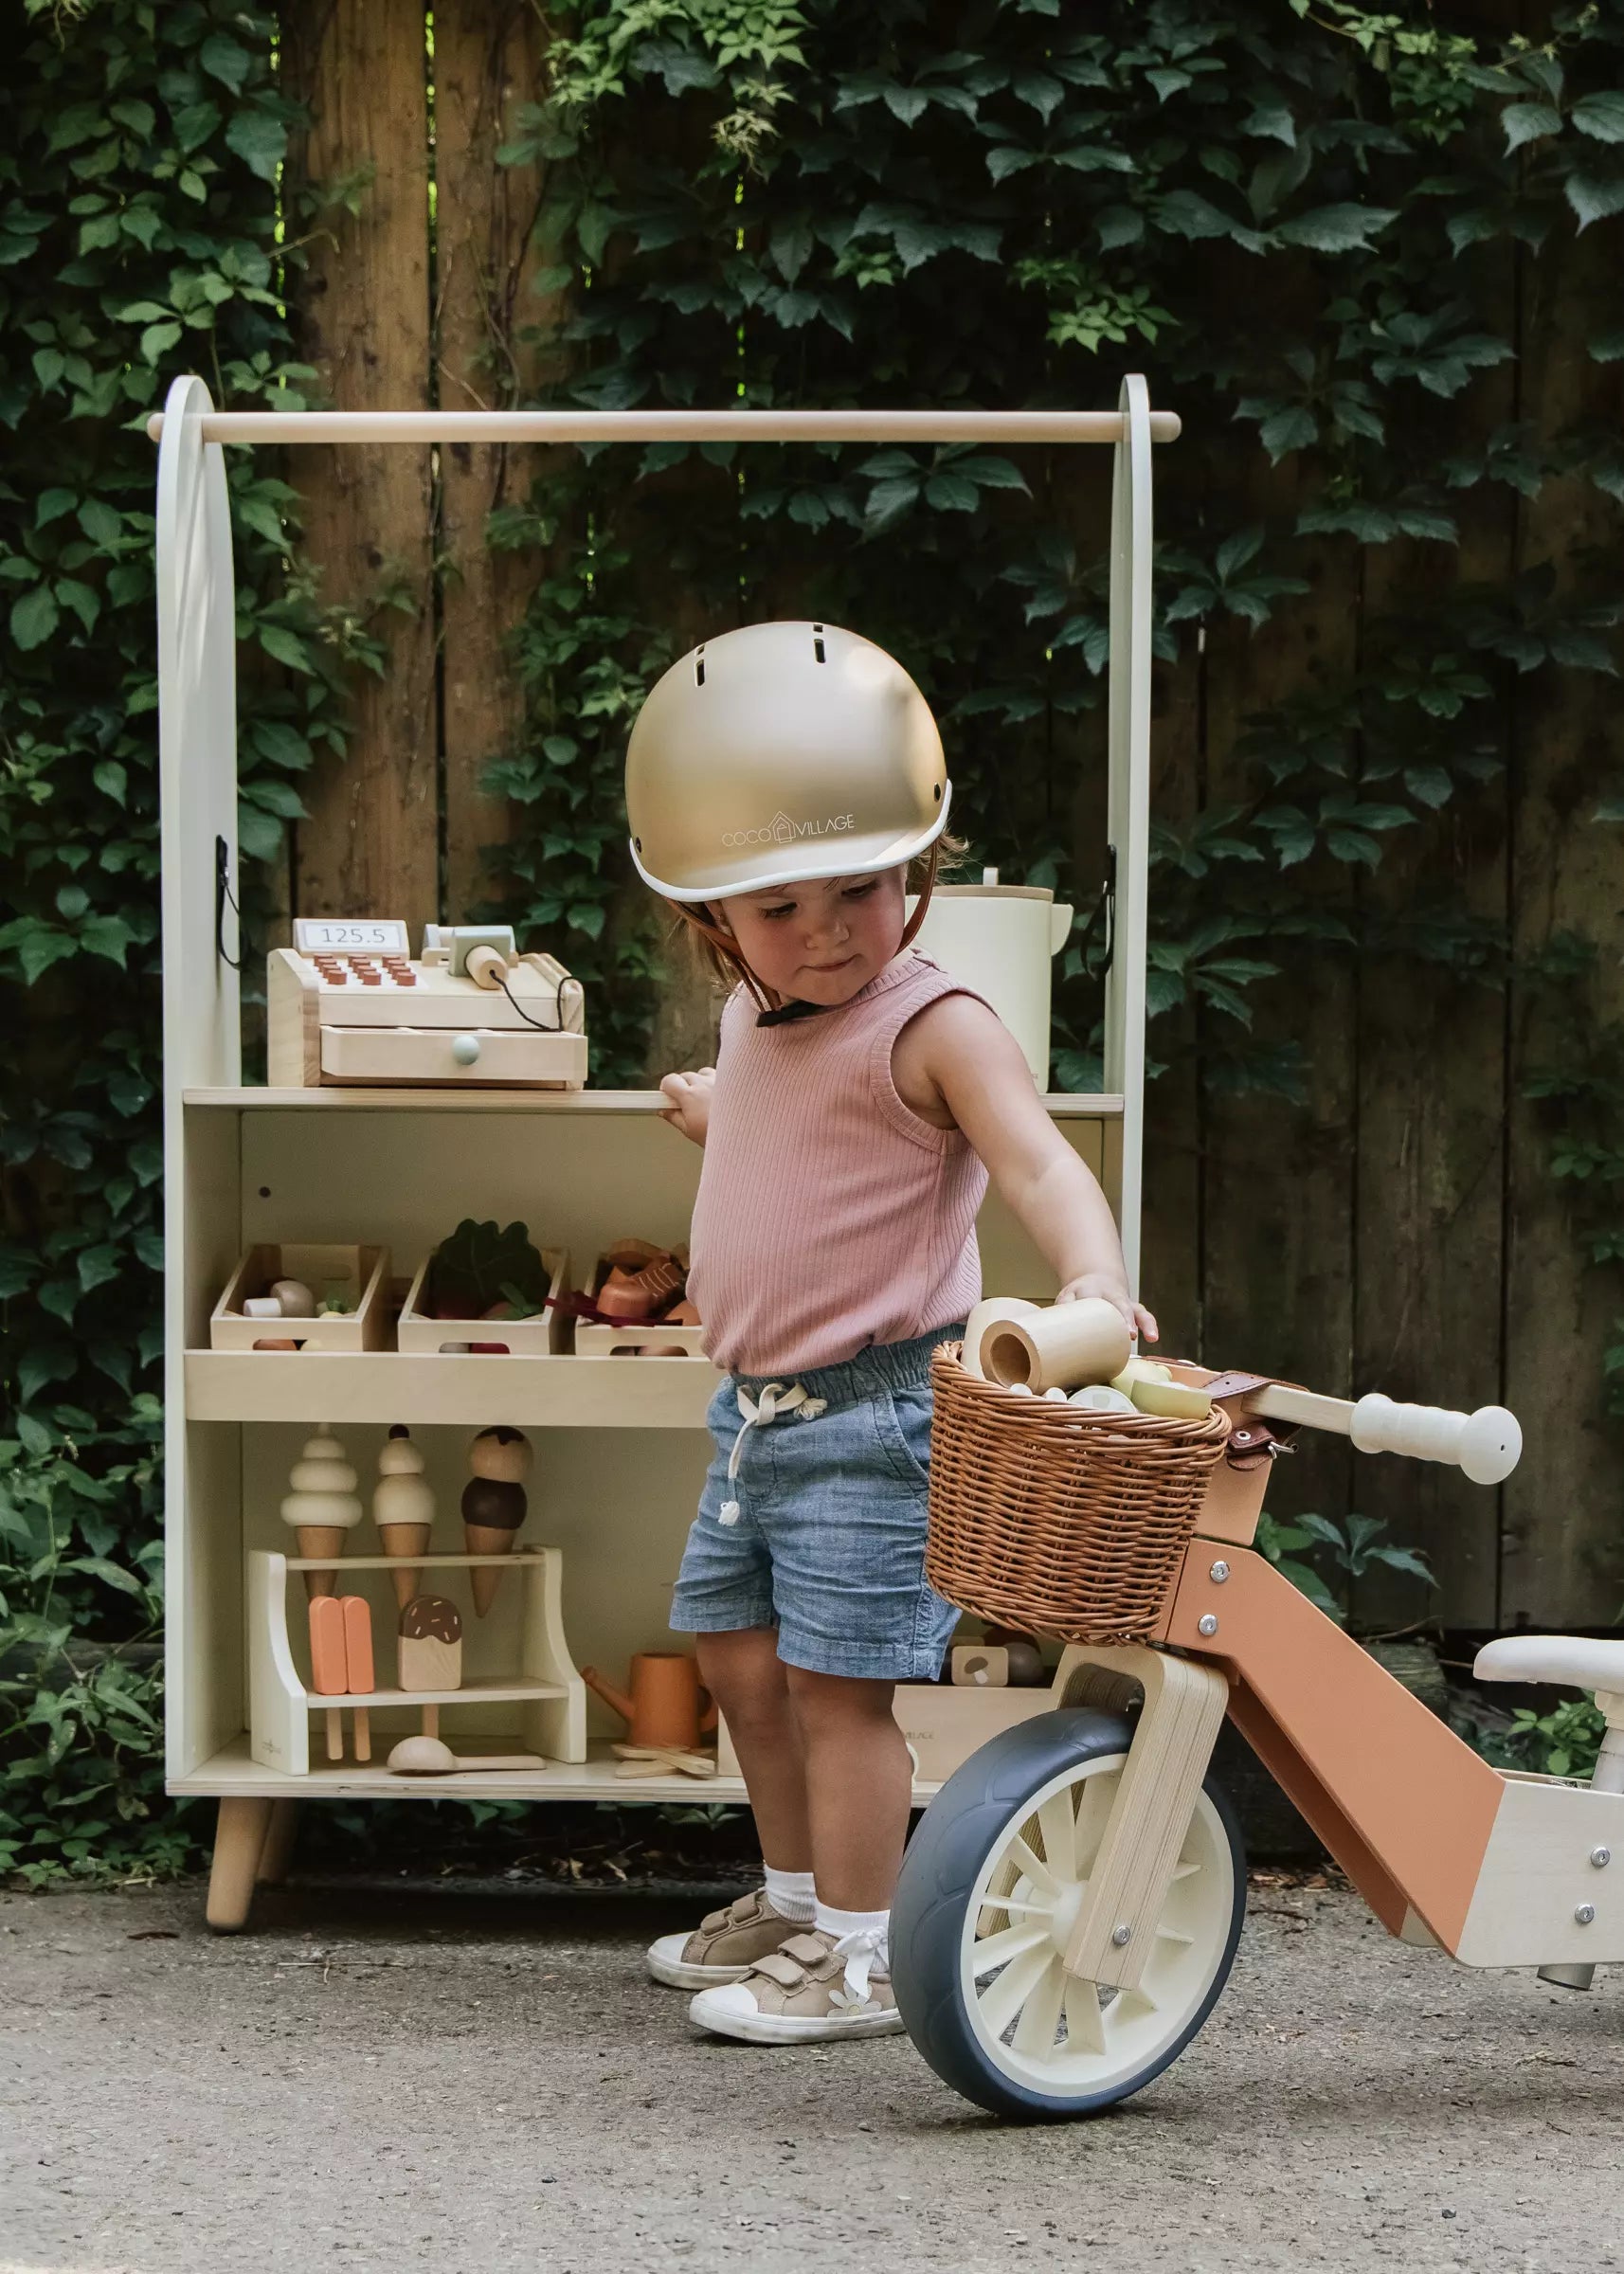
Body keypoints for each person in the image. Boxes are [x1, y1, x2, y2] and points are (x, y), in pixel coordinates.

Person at [625, 620, 1155, 2045]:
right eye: (777, 908)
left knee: (837, 1689)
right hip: (751, 1414)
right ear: (713, 926)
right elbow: (799, 1134)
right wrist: (711, 1110)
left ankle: (861, 1954)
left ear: (913, 874)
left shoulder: (940, 1024)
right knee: (738, 1664)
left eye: (859, 890)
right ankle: (797, 1898)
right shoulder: (759, 1012)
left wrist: (1092, 1285)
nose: (825, 931)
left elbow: (1036, 1162)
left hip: (871, 1415)